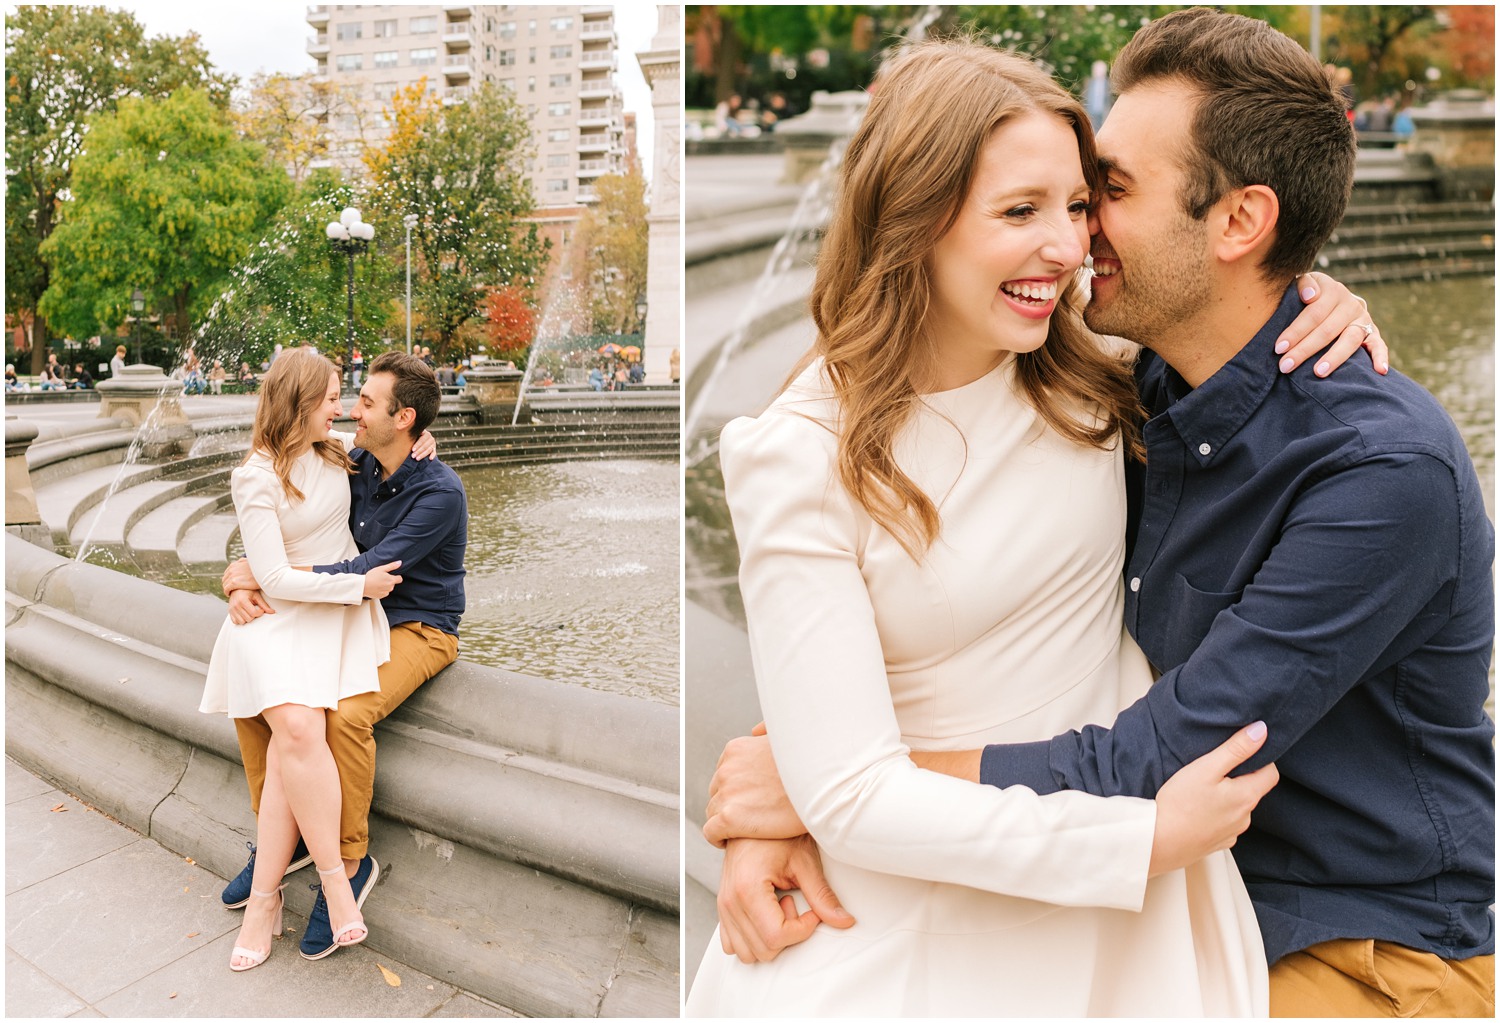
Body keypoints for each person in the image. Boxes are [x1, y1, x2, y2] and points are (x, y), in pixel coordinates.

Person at [704, 11, 1494, 1019]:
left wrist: (830, 791)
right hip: (1136, 870)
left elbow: (1153, 757)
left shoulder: (1377, 471)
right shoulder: (1130, 375)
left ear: (1240, 223)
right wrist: (810, 781)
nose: (1078, 239)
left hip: (1348, 938)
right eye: (1046, 203)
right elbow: (899, 604)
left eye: (1099, 196)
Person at [217, 351, 467, 962]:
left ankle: (350, 862)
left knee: (342, 714)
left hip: (417, 624)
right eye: (344, 399)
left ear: (402, 418)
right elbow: (288, 511)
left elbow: (364, 569)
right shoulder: (352, 459)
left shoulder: (438, 492)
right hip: (344, 610)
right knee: (263, 704)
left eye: (364, 404)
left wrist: (262, 576)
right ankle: (281, 842)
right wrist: (239, 576)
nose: (351, 408)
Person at [199, 347, 402, 972]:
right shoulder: (254, 476)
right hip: (280, 618)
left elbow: (397, 433)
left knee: (296, 734)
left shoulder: (336, 449)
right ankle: (334, 886)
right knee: (296, 726)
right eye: (331, 398)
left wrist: (425, 442)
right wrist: (244, 582)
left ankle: (268, 895)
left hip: (330, 620)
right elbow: (277, 579)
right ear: (300, 404)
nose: (341, 409)